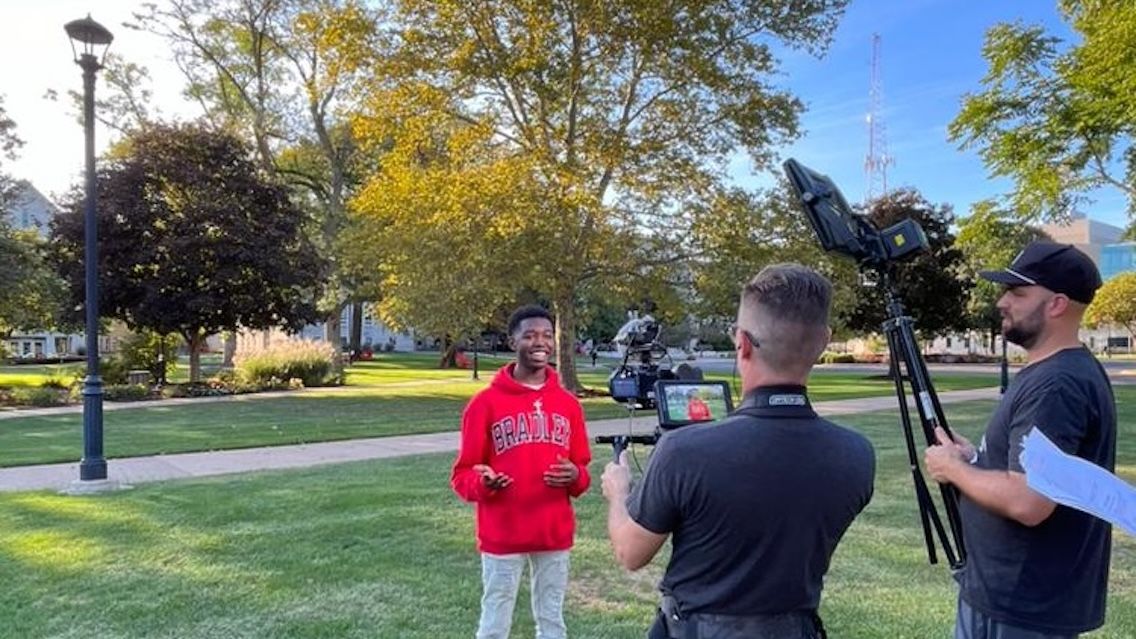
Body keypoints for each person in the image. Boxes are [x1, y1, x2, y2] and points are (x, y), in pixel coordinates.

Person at [601, 264, 875, 639]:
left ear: (742, 343)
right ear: (824, 341)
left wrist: (619, 493)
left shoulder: (683, 451)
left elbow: (630, 553)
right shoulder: (857, 454)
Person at [924, 241, 1116, 639]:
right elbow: (1031, 470)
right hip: (1012, 598)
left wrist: (954, 470)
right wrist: (974, 459)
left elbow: (1029, 501)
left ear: (1056, 304)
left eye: (1017, 292)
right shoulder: (1060, 371)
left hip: (1020, 606)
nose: (1002, 302)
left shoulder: (1056, 384)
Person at [451, 305, 592, 639]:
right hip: (503, 532)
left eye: (546, 335)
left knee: (552, 620)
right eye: (529, 335)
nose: (539, 342)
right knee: (494, 623)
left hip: (552, 531)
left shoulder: (568, 405)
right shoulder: (484, 404)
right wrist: (484, 483)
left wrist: (575, 476)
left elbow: (581, 472)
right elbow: (462, 475)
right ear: (512, 341)